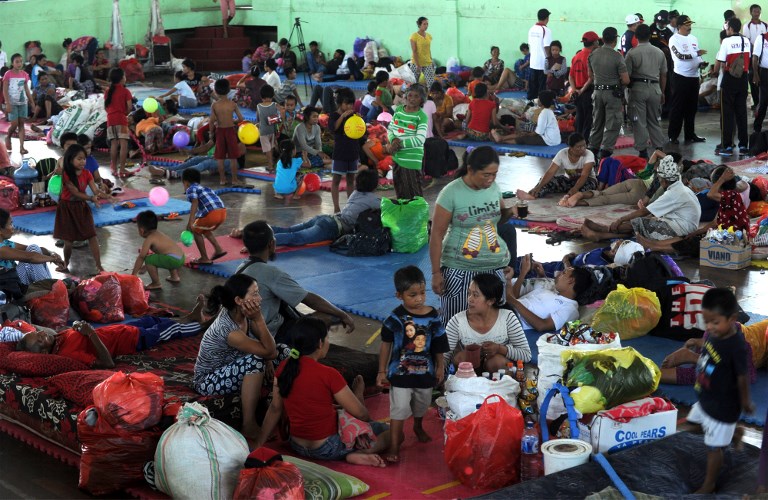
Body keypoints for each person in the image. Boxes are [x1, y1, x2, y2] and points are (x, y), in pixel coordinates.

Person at [256, 317, 390, 467]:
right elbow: (363, 415)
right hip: (327, 448)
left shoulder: (284, 368)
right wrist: (358, 394)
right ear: (320, 343)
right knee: (391, 433)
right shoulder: (328, 374)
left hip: (297, 445)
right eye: (327, 338)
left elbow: (275, 408)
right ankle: (362, 453)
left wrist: (259, 443)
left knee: (338, 411)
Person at [194, 274, 288, 440]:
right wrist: (259, 320)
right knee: (255, 360)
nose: (260, 298)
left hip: (232, 366)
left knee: (284, 351)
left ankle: (293, 401)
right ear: (238, 300)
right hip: (208, 381)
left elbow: (271, 349)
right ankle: (248, 424)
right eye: (255, 294)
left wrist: (268, 358)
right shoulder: (228, 329)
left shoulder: (241, 313)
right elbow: (268, 352)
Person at [430, 147, 513, 325]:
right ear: (470, 170)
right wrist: (436, 272)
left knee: (490, 324)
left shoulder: (494, 188)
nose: (490, 179)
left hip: (493, 269)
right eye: (485, 174)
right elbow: (436, 235)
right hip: (460, 270)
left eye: (494, 174)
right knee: (455, 324)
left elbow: (497, 219)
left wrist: (513, 211)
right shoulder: (451, 192)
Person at [683, 288, 753, 493]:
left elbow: (742, 377)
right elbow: (711, 343)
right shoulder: (716, 333)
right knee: (693, 425)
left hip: (723, 407)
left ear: (732, 319)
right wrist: (698, 342)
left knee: (713, 448)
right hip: (706, 396)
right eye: (707, 322)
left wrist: (746, 402)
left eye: (715, 322)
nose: (710, 327)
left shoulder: (737, 346)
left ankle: (709, 484)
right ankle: (733, 434)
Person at [237, 220, 355, 340]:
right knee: (328, 316)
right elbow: (309, 299)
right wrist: (342, 314)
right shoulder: (271, 273)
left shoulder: (241, 268)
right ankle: (309, 350)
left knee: (300, 315)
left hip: (246, 332)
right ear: (271, 244)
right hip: (268, 335)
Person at [377, 266, 448, 463]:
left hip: (425, 372)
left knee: (422, 404)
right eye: (413, 295)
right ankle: (393, 446)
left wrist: (440, 366)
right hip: (399, 373)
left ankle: (417, 425)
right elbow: (385, 345)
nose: (419, 299)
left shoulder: (432, 315)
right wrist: (381, 370)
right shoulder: (394, 317)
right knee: (398, 408)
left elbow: (439, 344)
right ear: (399, 295)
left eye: (422, 293)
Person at [18, 308, 204, 368]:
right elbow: (108, 363)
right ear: (44, 352)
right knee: (167, 329)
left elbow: (70, 329)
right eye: (40, 339)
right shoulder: (67, 354)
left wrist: (75, 326)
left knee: (151, 319)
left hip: (121, 329)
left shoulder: (58, 338)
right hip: (131, 340)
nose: (42, 334)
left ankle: (189, 318)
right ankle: (203, 327)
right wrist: (90, 333)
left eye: (38, 333)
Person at [581, 155, 701, 241]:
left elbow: (644, 211)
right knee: (647, 222)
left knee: (640, 222)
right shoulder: (679, 186)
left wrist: (620, 219)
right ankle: (603, 235)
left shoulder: (673, 193)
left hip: (683, 229)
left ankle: (605, 230)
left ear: (663, 180)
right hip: (684, 224)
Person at [637, 165, 750, 256]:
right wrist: (694, 232)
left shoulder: (732, 196)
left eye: (714, 183)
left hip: (734, 240)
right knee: (688, 237)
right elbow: (714, 223)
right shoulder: (728, 199)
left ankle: (654, 247)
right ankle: (654, 244)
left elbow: (711, 194)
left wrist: (721, 179)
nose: (712, 186)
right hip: (724, 236)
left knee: (693, 244)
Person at [271, 168, 381, 246]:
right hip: (331, 227)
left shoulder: (355, 192)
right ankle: (261, 241)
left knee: (290, 230)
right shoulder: (374, 200)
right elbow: (389, 207)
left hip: (326, 218)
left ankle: (262, 229)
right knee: (296, 237)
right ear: (374, 185)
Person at [446, 273, 530, 371]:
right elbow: (444, 356)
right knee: (462, 357)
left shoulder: (507, 318)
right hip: (469, 375)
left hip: (499, 375)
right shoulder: (457, 321)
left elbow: (526, 355)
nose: (470, 299)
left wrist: (500, 349)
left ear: (491, 301)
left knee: (496, 361)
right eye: (469, 293)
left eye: (475, 295)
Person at [53, 144, 108, 274]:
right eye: (79, 158)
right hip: (67, 208)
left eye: (84, 159)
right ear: (71, 160)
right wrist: (91, 198)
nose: (83, 161)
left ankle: (99, 266)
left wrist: (107, 195)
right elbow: (75, 192)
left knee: (92, 235)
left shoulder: (87, 173)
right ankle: (66, 263)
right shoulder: (66, 174)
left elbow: (95, 190)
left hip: (81, 207)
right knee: (68, 241)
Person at [561, 149, 676, 207]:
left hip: (637, 187)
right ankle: (578, 199)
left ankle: (579, 197)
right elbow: (656, 152)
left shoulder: (664, 178)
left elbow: (650, 197)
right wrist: (671, 162)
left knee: (605, 197)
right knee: (605, 197)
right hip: (635, 183)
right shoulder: (654, 173)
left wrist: (672, 164)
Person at [505, 254, 589, 332]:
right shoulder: (553, 291)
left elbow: (542, 326)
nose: (558, 274)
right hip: (506, 307)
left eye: (563, 273)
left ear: (571, 281)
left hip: (512, 319)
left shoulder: (570, 309)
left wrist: (512, 300)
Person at [626, 23, 668, 158]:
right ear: (650, 36)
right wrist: (662, 91)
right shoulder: (659, 52)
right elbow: (664, 75)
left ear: (636, 36)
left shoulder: (632, 53)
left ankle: (643, 151)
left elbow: (627, 76)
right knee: (654, 120)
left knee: (639, 121)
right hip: (655, 88)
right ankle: (659, 148)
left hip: (638, 89)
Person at [0, 208, 65, 295]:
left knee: (33, 249)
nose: (13, 228)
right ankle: (51, 290)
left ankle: (50, 288)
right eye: (10, 224)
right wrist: (52, 259)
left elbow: (33, 250)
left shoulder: (5, 243)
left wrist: (51, 253)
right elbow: (30, 257)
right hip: (7, 287)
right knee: (32, 258)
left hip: (13, 280)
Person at [588, 27, 630, 160]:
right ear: (615, 39)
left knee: (597, 122)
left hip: (597, 92)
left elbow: (591, 76)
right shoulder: (617, 56)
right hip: (612, 94)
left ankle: (593, 149)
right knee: (612, 124)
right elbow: (626, 80)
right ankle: (605, 152)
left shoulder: (593, 54)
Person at [516, 132, 597, 200]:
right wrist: (539, 186)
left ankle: (571, 199)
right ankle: (533, 195)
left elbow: (584, 176)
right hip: (569, 181)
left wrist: (575, 189)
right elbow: (550, 172)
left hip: (587, 181)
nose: (583, 148)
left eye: (584, 145)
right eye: (579, 147)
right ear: (571, 148)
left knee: (582, 191)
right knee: (546, 182)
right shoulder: (562, 153)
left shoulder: (589, 154)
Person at [667, 15, 708, 145]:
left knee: (692, 108)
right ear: (679, 26)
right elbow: (680, 56)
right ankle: (673, 136)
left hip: (694, 77)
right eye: (686, 25)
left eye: (690, 24)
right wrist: (697, 54)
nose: (689, 27)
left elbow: (697, 55)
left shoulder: (693, 38)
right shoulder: (674, 39)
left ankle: (690, 134)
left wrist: (701, 63)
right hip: (681, 77)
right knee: (678, 108)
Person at [715, 18, 751, 157]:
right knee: (741, 113)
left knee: (727, 114)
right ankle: (743, 146)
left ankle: (727, 146)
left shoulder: (726, 41)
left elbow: (723, 61)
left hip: (730, 79)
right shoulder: (746, 40)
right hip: (743, 79)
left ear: (730, 28)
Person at [386, 84, 428, 200]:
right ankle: (404, 216)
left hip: (411, 159)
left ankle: (418, 218)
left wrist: (398, 145)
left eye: (416, 96)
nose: (412, 99)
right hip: (397, 157)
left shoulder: (421, 116)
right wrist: (393, 140)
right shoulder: (399, 110)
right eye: (410, 95)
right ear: (405, 96)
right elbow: (391, 129)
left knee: (414, 194)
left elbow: (420, 139)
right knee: (400, 191)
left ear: (422, 100)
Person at [183, 168, 228, 266]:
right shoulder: (206, 188)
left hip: (211, 214)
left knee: (195, 230)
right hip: (222, 213)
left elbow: (195, 203)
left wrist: (191, 222)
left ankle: (204, 258)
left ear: (186, 182)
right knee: (203, 228)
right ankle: (218, 249)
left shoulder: (190, 189)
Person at [132, 210, 184, 290]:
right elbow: (163, 254)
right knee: (164, 255)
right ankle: (175, 276)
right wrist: (145, 267)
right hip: (181, 257)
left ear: (141, 230)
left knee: (149, 259)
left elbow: (142, 257)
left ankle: (156, 283)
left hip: (173, 260)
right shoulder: (159, 234)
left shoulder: (149, 239)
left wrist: (133, 274)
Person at [329, 88, 361, 212]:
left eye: (351, 104)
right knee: (336, 179)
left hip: (352, 151)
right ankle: (336, 207)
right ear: (340, 103)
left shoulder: (353, 115)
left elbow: (361, 131)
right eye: (346, 103)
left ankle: (350, 205)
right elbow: (333, 128)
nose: (349, 106)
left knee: (350, 179)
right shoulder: (334, 115)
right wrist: (342, 116)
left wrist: (359, 120)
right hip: (340, 152)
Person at [491, 89, 560, 146]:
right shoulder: (548, 111)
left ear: (542, 102)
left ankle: (502, 141)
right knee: (522, 133)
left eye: (538, 99)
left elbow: (538, 132)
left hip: (548, 141)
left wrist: (528, 134)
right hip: (552, 139)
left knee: (523, 138)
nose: (537, 100)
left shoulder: (544, 113)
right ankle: (502, 138)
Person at [210, 78, 246, 186]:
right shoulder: (232, 104)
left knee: (220, 158)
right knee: (233, 158)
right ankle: (234, 180)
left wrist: (211, 133)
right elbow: (241, 118)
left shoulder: (215, 105)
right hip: (230, 131)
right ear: (229, 90)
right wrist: (233, 121)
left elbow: (212, 121)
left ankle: (222, 179)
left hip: (220, 131)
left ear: (216, 91)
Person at [570, 32, 599, 143]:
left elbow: (571, 76)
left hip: (577, 91)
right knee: (588, 121)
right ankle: (584, 144)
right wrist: (582, 90)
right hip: (587, 91)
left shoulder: (576, 56)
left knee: (579, 118)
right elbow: (591, 78)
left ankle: (576, 143)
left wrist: (574, 90)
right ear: (595, 42)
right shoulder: (592, 57)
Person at [104, 68, 133, 179]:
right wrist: (124, 114)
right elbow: (129, 107)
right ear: (121, 78)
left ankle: (114, 168)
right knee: (123, 144)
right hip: (121, 119)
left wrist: (112, 113)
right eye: (124, 76)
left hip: (110, 119)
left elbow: (106, 107)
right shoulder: (125, 91)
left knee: (114, 144)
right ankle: (122, 169)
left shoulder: (108, 91)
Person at [3, 54, 34, 154]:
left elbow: (26, 89)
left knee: (21, 124)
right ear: (12, 63)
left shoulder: (25, 74)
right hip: (12, 103)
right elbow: (5, 90)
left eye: (21, 61)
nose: (19, 63)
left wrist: (32, 102)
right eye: (17, 61)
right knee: (14, 124)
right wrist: (7, 103)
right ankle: (8, 137)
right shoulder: (8, 74)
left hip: (23, 103)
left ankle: (22, 147)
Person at [650, 11, 675, 118]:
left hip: (666, 63)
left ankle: (667, 110)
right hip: (653, 63)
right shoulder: (650, 30)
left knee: (667, 85)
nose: (662, 25)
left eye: (664, 23)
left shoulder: (669, 32)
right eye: (660, 23)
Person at [744, 4, 767, 108]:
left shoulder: (765, 25)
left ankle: (763, 102)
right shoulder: (747, 25)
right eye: (754, 11)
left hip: (764, 56)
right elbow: (747, 41)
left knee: (763, 78)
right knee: (753, 77)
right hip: (752, 56)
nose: (757, 13)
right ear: (751, 12)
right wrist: (756, 51)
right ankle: (756, 102)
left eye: (758, 11)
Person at [527, 8, 553, 100]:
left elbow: (530, 45)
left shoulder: (531, 29)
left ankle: (530, 107)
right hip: (543, 64)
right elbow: (547, 47)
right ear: (547, 18)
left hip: (533, 63)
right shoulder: (546, 30)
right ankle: (540, 109)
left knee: (532, 88)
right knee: (541, 90)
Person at [257, 84, 279, 171]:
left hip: (263, 131)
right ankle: (273, 162)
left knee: (267, 149)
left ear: (261, 96)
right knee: (271, 147)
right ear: (272, 95)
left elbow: (258, 118)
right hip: (272, 130)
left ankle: (270, 165)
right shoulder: (275, 104)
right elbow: (282, 111)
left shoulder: (259, 106)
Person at [410, 17, 435, 90]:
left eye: (427, 24)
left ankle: (430, 99)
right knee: (414, 84)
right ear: (419, 24)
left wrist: (431, 60)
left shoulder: (429, 36)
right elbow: (414, 51)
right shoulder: (414, 36)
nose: (426, 26)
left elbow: (428, 50)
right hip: (416, 63)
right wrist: (418, 65)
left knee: (431, 84)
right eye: (424, 24)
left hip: (427, 62)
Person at [753, 25, 768, 132]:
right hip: (764, 73)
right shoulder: (762, 38)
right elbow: (755, 57)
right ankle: (757, 127)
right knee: (763, 102)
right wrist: (756, 74)